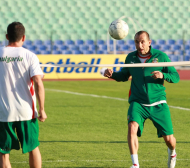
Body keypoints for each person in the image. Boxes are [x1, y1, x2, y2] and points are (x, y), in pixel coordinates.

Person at [103, 31, 179, 168]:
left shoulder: (160, 56)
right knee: (132, 127)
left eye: (142, 41)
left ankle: (172, 152)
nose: (140, 44)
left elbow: (175, 76)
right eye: (137, 42)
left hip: (158, 103)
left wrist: (163, 75)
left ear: (149, 42)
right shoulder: (131, 57)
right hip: (138, 102)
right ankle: (135, 164)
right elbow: (124, 76)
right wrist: (112, 74)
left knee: (169, 140)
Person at [0, 22, 47, 168]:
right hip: (26, 112)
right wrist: (42, 109)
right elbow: (38, 82)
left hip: (3, 112)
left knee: (3, 152)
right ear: (24, 38)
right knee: (33, 147)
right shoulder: (30, 56)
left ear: (7, 36)